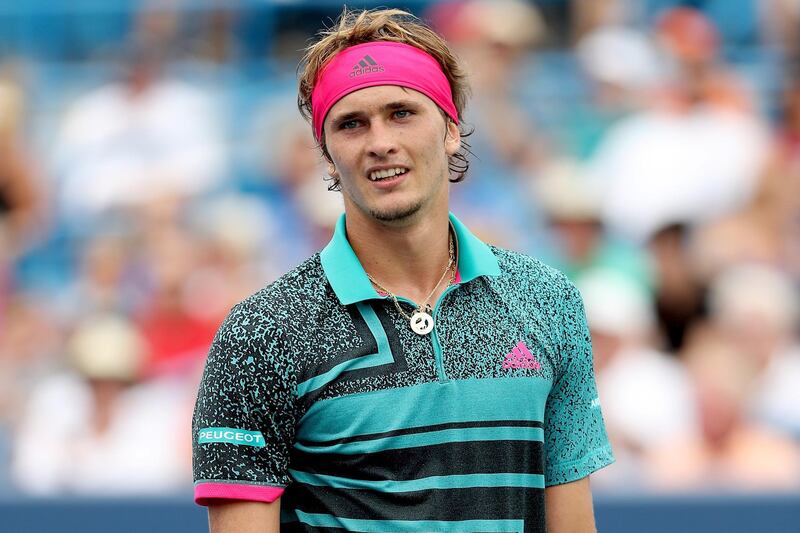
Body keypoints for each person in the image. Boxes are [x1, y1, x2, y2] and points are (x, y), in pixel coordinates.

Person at [192, 8, 613, 533]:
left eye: (402, 113)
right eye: (351, 123)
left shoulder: (549, 300)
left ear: (451, 130)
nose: (379, 142)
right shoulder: (259, 333)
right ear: (327, 156)